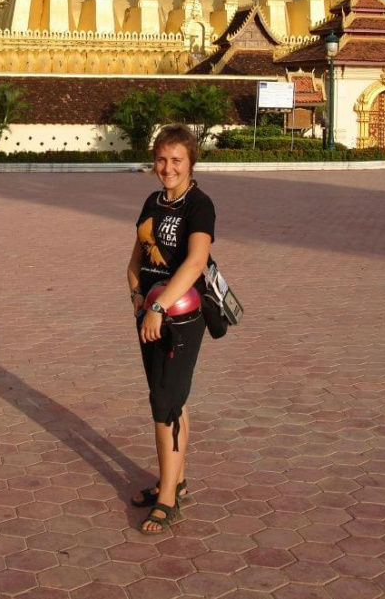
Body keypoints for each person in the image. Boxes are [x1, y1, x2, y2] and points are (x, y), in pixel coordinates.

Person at [127, 123, 215, 534]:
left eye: (176, 160)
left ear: (191, 162)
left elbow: (196, 262)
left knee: (165, 402)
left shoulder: (200, 205)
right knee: (169, 398)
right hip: (148, 314)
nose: (168, 167)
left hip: (179, 318)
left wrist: (158, 307)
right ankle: (174, 479)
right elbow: (136, 258)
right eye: (162, 159)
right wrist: (137, 299)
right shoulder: (152, 201)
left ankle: (168, 499)